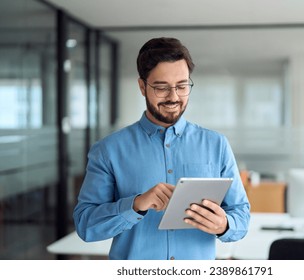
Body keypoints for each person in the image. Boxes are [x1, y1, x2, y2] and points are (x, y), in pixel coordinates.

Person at [73, 37, 250, 260]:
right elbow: (86, 225)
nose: (173, 97)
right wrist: (136, 205)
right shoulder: (108, 150)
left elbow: (241, 215)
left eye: (182, 86)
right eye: (161, 87)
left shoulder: (217, 145)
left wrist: (224, 224)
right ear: (142, 86)